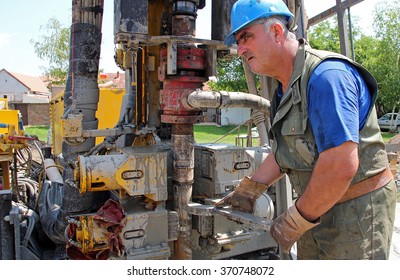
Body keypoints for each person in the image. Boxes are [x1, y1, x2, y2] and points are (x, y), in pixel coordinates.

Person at [217, 0, 397, 260]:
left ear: (277, 32)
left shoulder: (327, 77)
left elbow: (340, 165)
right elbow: (286, 152)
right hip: (315, 209)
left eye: (246, 37)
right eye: (238, 40)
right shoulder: (285, 88)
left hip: (355, 215)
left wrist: (294, 220)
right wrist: (250, 190)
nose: (240, 49)